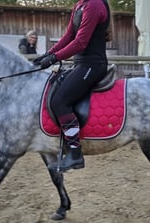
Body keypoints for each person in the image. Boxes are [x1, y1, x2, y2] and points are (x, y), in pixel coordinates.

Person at [34, 0, 113, 172]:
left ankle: (75, 154)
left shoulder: (94, 5)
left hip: (93, 65)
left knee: (59, 101)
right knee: (53, 90)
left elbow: (80, 42)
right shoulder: (80, 5)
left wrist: (54, 58)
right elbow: (69, 36)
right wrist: (48, 54)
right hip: (81, 65)